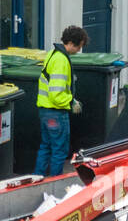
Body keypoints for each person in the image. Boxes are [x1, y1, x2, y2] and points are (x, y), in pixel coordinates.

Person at [33, 25, 88, 178]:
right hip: (56, 113)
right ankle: (54, 183)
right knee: (59, 150)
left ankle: (37, 179)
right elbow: (56, 94)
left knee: (46, 147)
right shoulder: (61, 60)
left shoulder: (52, 54)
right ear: (71, 43)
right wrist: (71, 102)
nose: (79, 50)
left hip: (45, 111)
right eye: (79, 46)